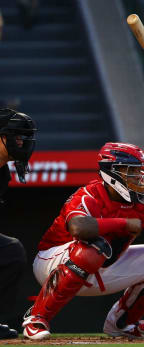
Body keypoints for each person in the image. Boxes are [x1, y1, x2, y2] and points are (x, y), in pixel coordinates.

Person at [21, 142, 144, 340]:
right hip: (52, 264)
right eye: (131, 171)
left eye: (140, 171)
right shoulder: (88, 195)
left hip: (101, 266)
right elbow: (78, 228)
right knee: (91, 248)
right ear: (112, 172)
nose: (140, 177)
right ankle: (37, 317)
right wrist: (124, 223)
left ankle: (122, 323)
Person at [0, 109, 36, 340]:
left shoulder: (2, 174)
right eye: (14, 135)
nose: (20, 142)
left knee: (10, 251)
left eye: (23, 137)